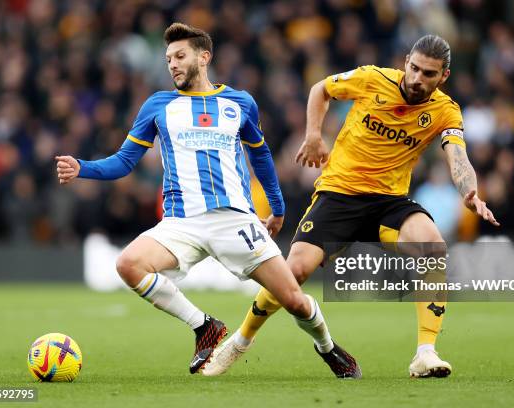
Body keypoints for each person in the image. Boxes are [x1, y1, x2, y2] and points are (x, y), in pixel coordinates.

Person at [55, 22, 360, 378]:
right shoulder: (158, 105)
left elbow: (260, 157)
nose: (172, 64)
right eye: (168, 58)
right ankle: (204, 326)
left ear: (204, 57)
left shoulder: (240, 103)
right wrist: (82, 167)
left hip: (235, 220)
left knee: (293, 299)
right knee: (128, 264)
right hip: (182, 222)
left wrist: (276, 208)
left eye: (180, 56)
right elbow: (124, 161)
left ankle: (327, 347)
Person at [203, 34, 499, 378]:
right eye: (414, 68)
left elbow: (457, 155)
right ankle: (241, 340)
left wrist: (470, 192)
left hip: (389, 202)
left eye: (428, 74)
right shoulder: (373, 79)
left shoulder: (445, 111)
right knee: (294, 271)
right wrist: (313, 135)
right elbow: (320, 90)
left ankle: (426, 353)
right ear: (406, 61)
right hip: (339, 194)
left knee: (432, 249)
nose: (418, 79)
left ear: (443, 76)